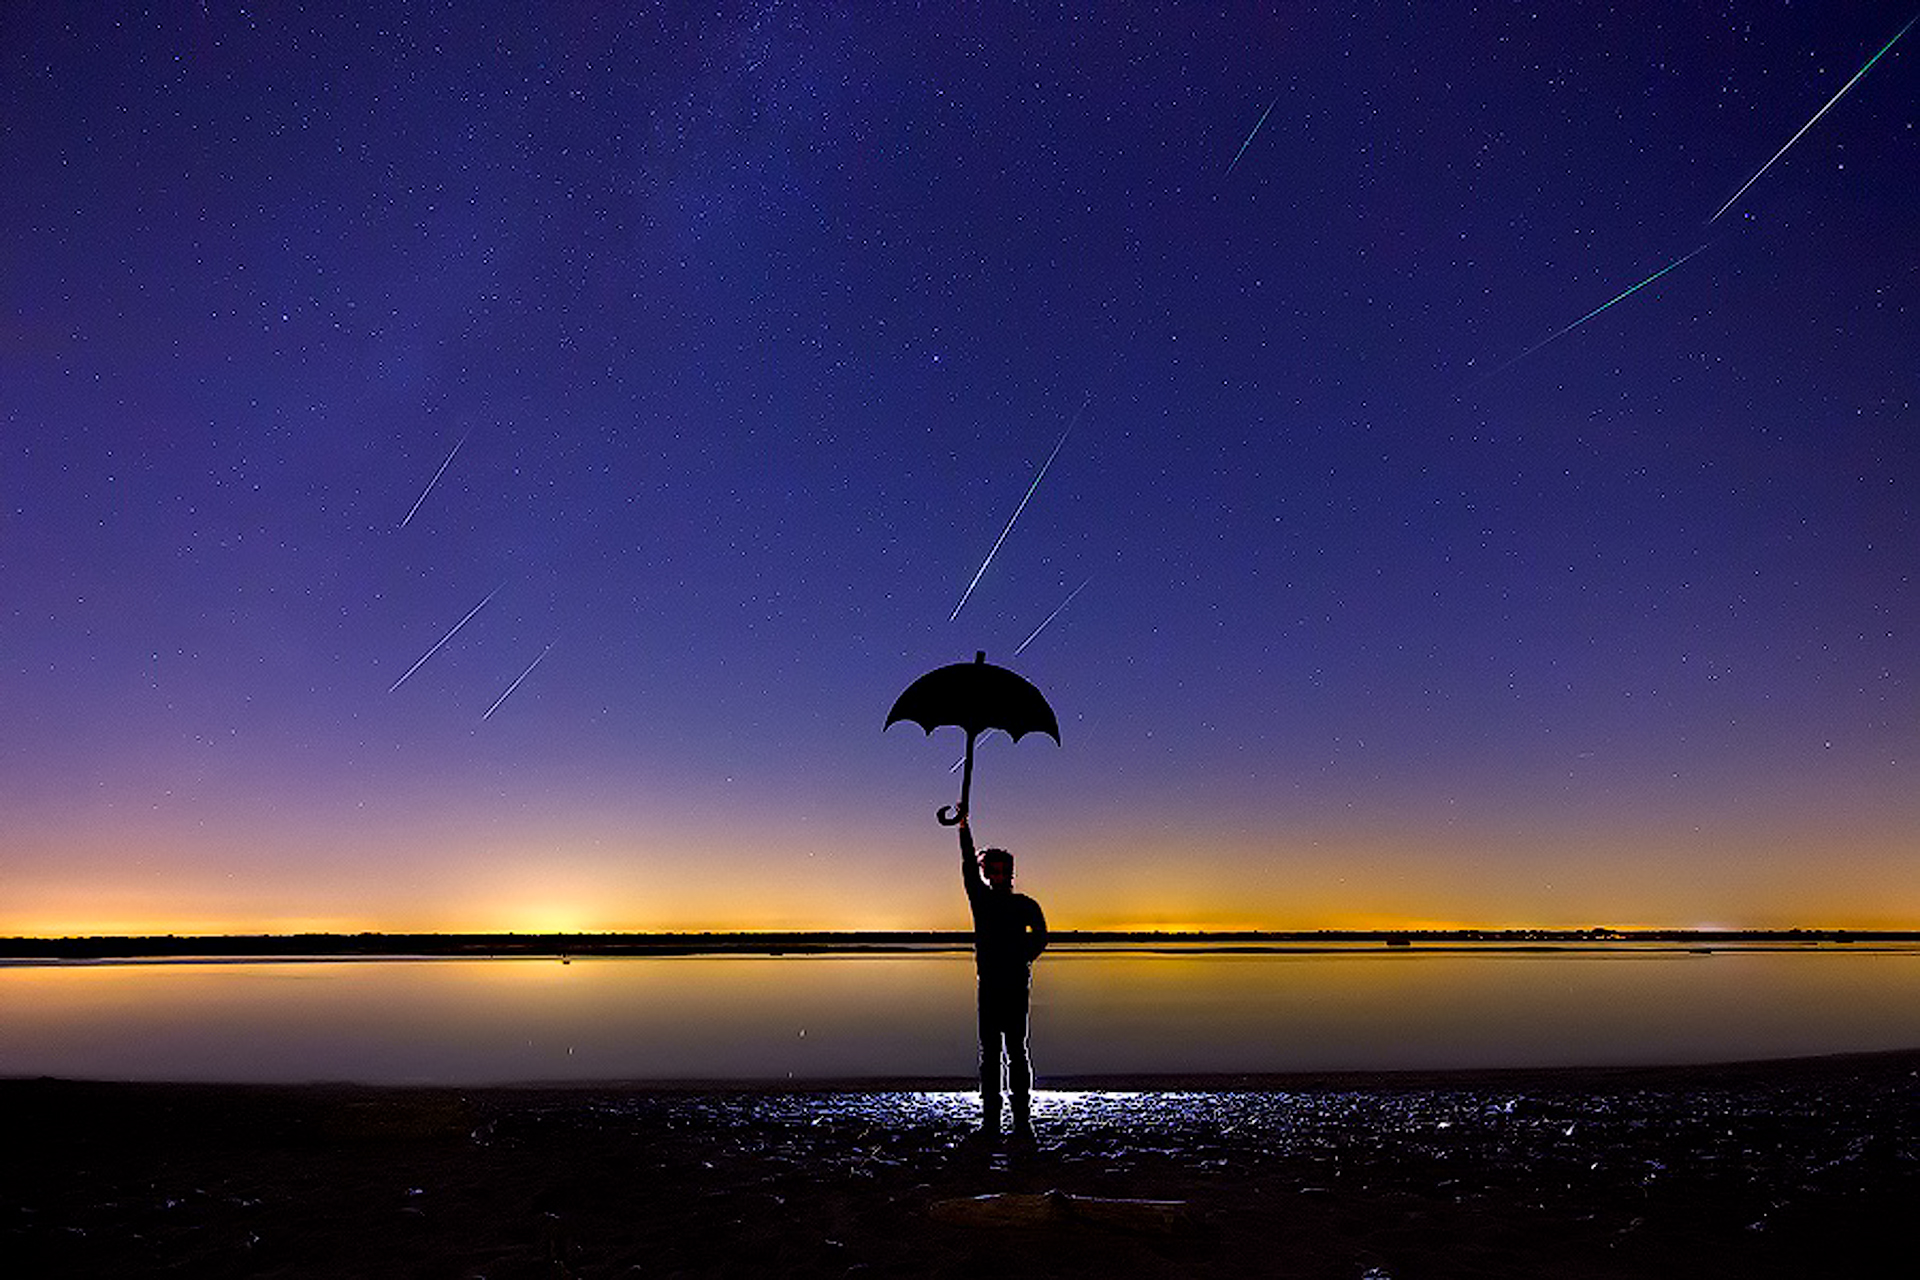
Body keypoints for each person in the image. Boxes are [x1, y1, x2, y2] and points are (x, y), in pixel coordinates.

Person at [957, 807, 1048, 1139]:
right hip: (991, 986)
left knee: (1016, 1051)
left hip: (1014, 986)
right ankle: (992, 1119)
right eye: (992, 870)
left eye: (1001, 870)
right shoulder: (982, 900)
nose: (997, 875)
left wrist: (1021, 957)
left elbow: (1040, 936)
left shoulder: (1025, 904)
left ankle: (1021, 1118)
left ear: (1009, 872)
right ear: (987, 873)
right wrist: (964, 829)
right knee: (991, 1053)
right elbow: (968, 866)